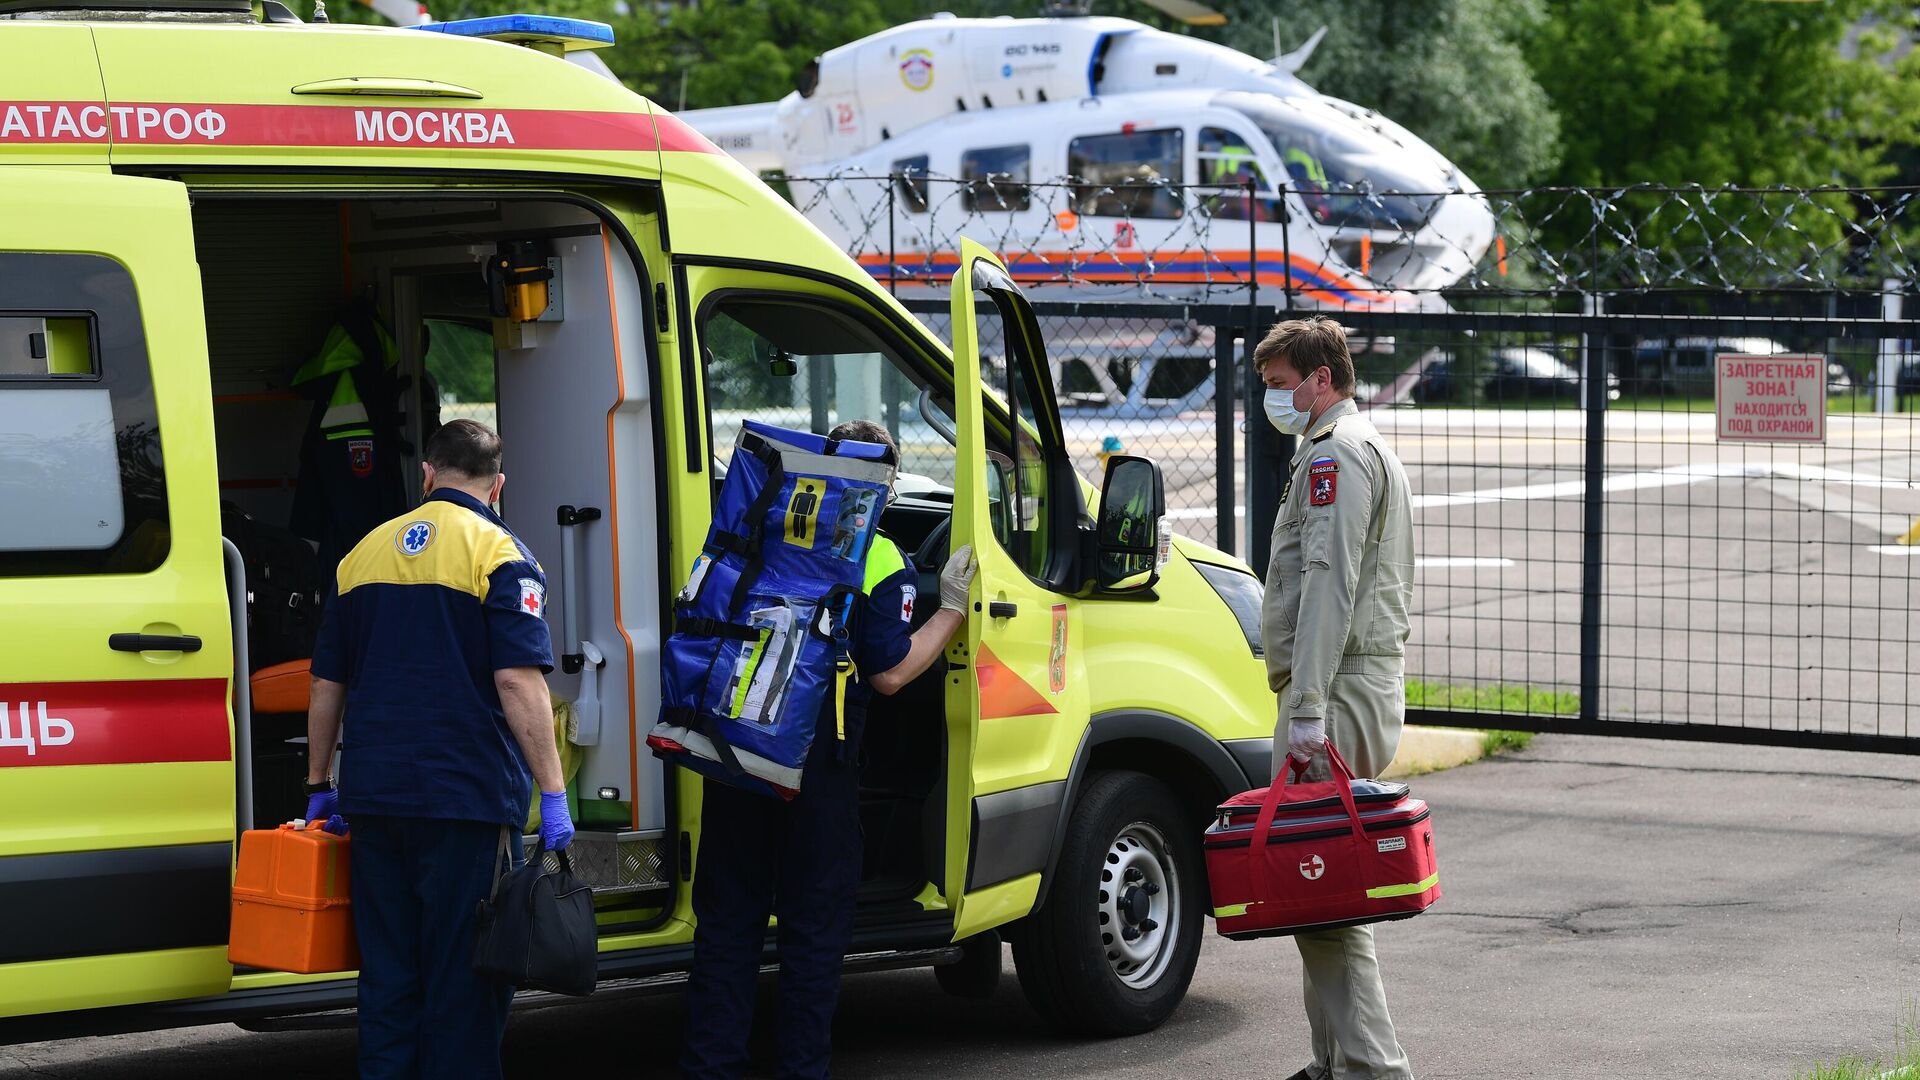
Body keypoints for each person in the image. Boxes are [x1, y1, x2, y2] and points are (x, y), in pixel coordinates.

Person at [680, 418, 976, 1080]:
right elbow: (891, 672)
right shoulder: (878, 556)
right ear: (886, 481)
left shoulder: (762, 527)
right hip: (819, 765)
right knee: (813, 935)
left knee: (727, 927)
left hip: (736, 747)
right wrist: (951, 610)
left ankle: (711, 1067)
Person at [302, 418, 574, 1080]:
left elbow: (326, 684)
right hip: (466, 804)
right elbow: (518, 681)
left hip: (374, 801)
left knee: (389, 983)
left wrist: (319, 786)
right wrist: (554, 792)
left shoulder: (360, 556)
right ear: (498, 485)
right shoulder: (503, 557)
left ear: (427, 474)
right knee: (464, 988)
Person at [1255, 317, 1416, 1080]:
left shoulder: (1338, 457)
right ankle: (1334, 1064)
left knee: (1324, 894)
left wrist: (1310, 707)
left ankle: (1372, 1071)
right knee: (1322, 888)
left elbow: (1329, 581)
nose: (1274, 400)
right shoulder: (1351, 448)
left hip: (1338, 688)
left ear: (1323, 378)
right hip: (1349, 681)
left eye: (1282, 386)